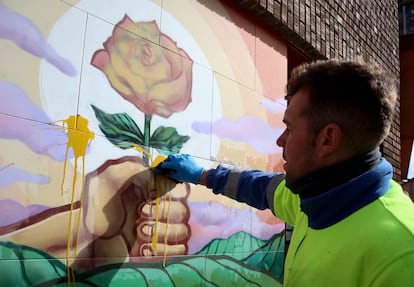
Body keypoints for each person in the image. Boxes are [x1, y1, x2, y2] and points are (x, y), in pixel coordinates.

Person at [156, 59, 414, 286]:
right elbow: (258, 187)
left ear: (328, 139)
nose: (280, 141)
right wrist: (201, 174)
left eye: (289, 128)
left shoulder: (402, 254)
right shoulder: (315, 198)